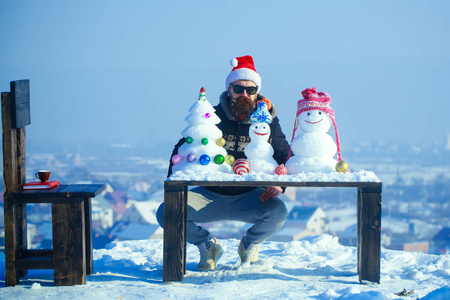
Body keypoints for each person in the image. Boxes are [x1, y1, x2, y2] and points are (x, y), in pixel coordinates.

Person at [156, 55, 290, 271]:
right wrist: (176, 189)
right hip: (209, 195)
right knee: (167, 212)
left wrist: (279, 185)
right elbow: (182, 150)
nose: (244, 94)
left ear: (257, 93)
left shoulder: (267, 122)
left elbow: (284, 154)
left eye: (251, 89)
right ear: (229, 90)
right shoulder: (211, 117)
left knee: (278, 212)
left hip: (251, 196)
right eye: (238, 89)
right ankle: (207, 246)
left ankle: (249, 245)